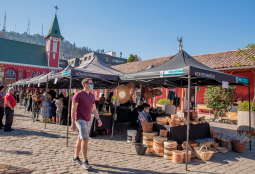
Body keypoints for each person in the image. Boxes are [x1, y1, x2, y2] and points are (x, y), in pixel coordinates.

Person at [71, 78, 102, 170]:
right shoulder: (78, 94)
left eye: (92, 83)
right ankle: (85, 161)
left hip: (88, 119)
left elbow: (94, 109)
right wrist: (73, 122)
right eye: (91, 83)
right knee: (85, 138)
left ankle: (75, 157)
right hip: (80, 119)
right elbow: (73, 108)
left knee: (81, 138)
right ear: (85, 84)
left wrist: (98, 118)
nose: (92, 85)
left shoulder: (92, 95)